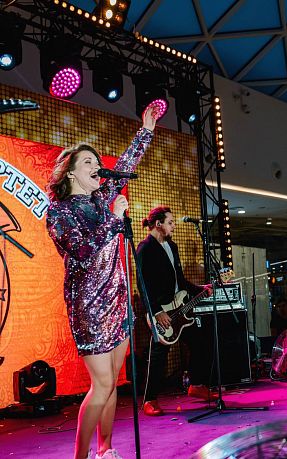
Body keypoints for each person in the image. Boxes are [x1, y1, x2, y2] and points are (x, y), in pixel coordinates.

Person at [46, 106, 158, 459]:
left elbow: (124, 164)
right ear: (70, 174)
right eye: (88, 163)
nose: (96, 166)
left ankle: (105, 449)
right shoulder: (60, 212)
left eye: (97, 161)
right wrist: (113, 219)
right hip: (89, 304)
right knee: (103, 383)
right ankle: (80, 456)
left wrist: (146, 131)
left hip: (117, 300)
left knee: (113, 384)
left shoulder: (101, 198)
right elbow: (82, 250)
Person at [136, 206, 213, 416]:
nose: (174, 226)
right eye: (170, 222)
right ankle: (149, 399)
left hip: (178, 306)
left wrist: (200, 289)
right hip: (161, 311)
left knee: (200, 341)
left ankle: (196, 385)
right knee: (158, 356)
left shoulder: (172, 246)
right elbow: (143, 285)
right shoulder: (145, 248)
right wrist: (156, 311)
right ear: (158, 224)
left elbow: (180, 280)